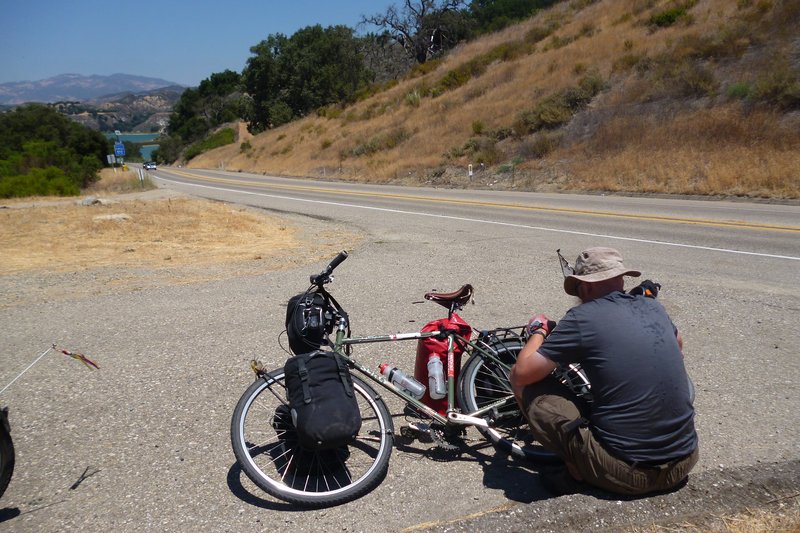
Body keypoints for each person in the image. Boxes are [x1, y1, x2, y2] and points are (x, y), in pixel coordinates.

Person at [509, 247, 698, 496]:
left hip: (631, 475)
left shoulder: (582, 318)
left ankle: (577, 471)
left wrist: (540, 331)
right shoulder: (652, 307)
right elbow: (678, 344)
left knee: (530, 389)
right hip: (684, 462)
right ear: (621, 279)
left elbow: (521, 373)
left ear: (584, 287)